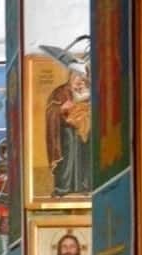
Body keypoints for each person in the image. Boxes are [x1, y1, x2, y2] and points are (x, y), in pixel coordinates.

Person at [46, 69, 92, 197]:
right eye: (77, 76)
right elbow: (51, 111)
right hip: (66, 130)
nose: (80, 80)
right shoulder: (60, 92)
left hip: (85, 129)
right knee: (68, 155)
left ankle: (85, 186)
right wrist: (62, 108)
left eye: (83, 77)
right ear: (71, 76)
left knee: (86, 156)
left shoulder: (89, 90)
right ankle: (63, 188)